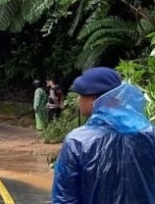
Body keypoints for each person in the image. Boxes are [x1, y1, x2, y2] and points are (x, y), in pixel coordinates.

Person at [52, 67, 155, 204]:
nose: (78, 100)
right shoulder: (148, 133)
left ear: (94, 99)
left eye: (81, 95)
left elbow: (64, 198)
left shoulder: (77, 142)